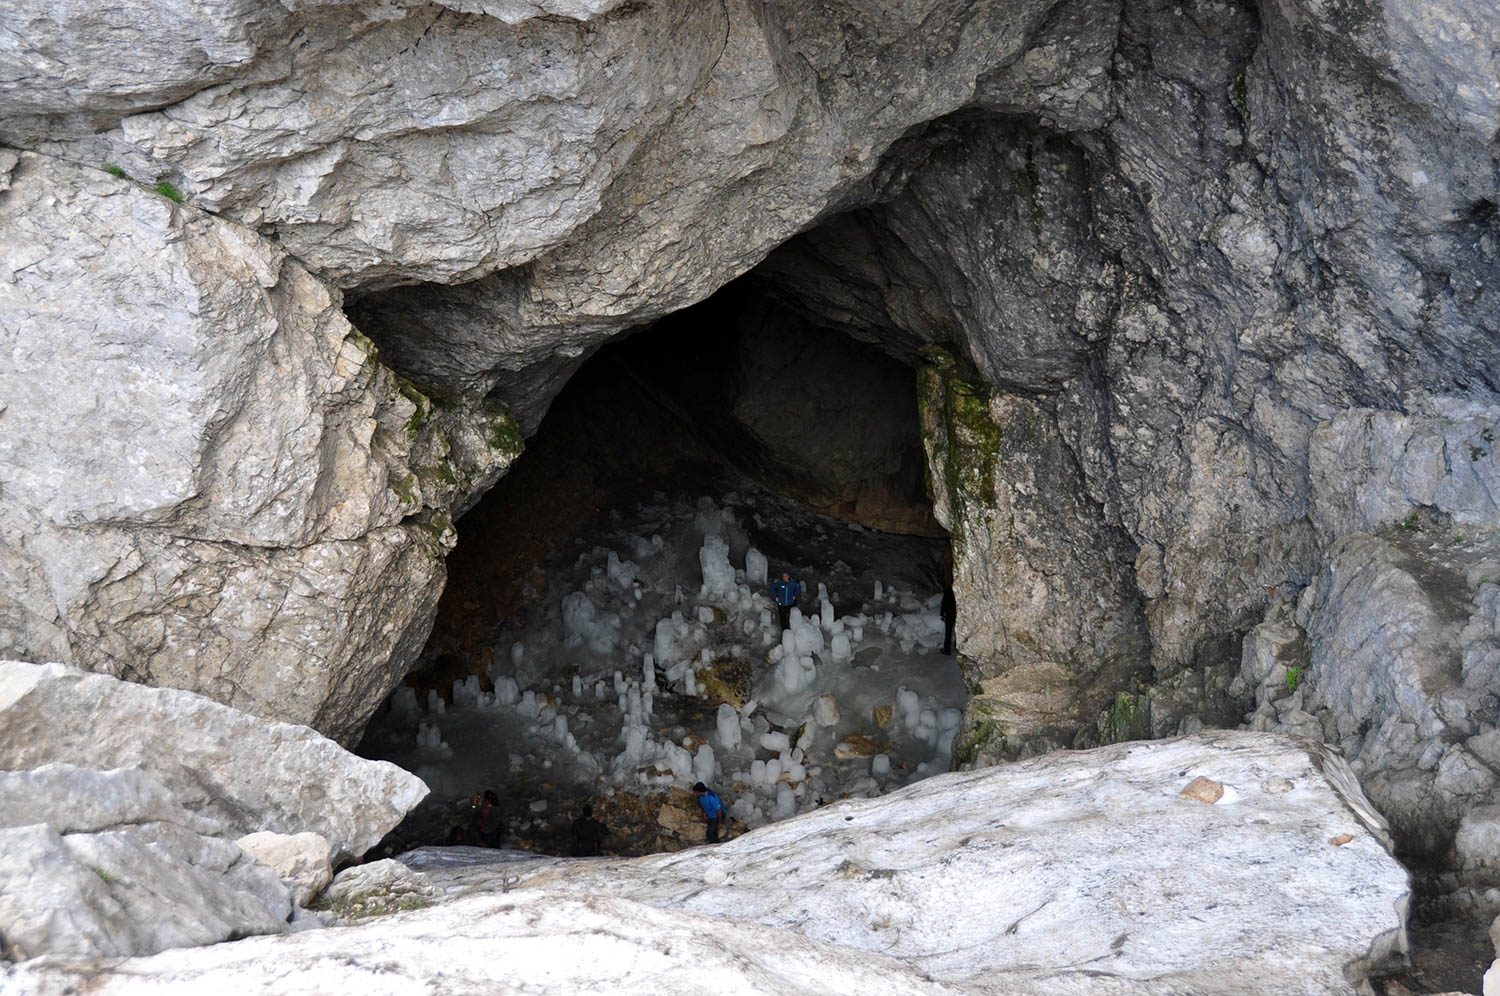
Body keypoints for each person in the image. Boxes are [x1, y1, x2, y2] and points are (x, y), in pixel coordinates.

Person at [940, 586, 957, 655]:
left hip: (949, 614)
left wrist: (942, 614)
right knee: (958, 632)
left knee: (948, 633)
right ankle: (957, 648)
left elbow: (943, 604)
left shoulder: (948, 591)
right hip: (957, 614)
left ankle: (947, 650)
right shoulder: (958, 590)